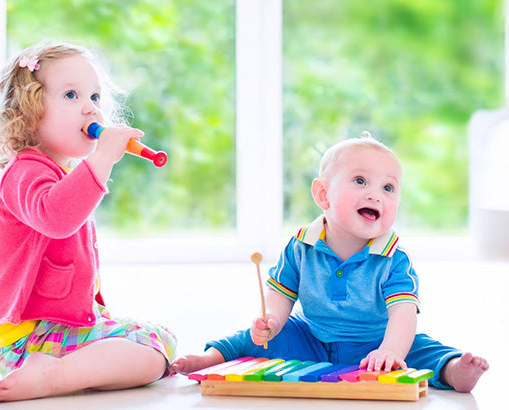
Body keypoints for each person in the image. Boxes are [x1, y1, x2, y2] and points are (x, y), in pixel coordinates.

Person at [171, 134, 488, 392]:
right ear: (323, 195)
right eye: (361, 181)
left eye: (388, 188)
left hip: (376, 342)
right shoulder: (301, 246)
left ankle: (454, 371)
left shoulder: (393, 258)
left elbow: (403, 314)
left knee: (423, 349)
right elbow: (281, 295)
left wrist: (391, 351)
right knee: (250, 339)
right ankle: (210, 358)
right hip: (313, 337)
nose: (376, 195)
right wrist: (271, 323)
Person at [0, 43, 177, 403]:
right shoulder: (22, 171)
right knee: (150, 351)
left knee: (160, 339)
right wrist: (102, 158)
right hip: (27, 338)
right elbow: (57, 218)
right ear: (30, 111)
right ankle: (53, 375)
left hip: (59, 326)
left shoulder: (57, 169)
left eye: (96, 96)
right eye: (71, 95)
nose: (90, 107)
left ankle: (67, 369)